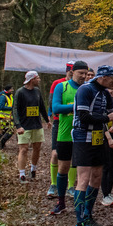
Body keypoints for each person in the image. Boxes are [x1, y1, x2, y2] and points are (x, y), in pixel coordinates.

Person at [71, 65, 113, 226]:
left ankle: (88, 215)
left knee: (97, 176)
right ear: (103, 77)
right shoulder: (85, 90)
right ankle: (79, 223)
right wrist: (107, 118)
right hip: (82, 136)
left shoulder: (105, 93)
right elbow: (84, 117)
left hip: (98, 137)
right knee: (83, 179)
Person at [49, 61, 88, 215]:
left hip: (84, 135)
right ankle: (61, 202)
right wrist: (78, 107)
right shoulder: (62, 87)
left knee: (83, 170)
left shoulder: (88, 88)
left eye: (86, 73)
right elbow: (56, 108)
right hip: (65, 134)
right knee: (63, 168)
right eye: (81, 73)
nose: (83, 76)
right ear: (73, 72)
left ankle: (82, 205)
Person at [12, 71, 50, 183]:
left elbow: (41, 106)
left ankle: (33, 169)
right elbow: (15, 110)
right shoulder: (20, 92)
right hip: (24, 126)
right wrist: (18, 126)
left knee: (37, 148)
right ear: (32, 79)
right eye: (37, 78)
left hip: (36, 124)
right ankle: (22, 174)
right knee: (23, 149)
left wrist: (47, 120)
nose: (39, 80)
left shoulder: (37, 91)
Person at [47, 62, 74, 197]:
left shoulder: (82, 86)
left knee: (73, 156)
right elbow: (52, 101)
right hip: (59, 122)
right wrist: (49, 114)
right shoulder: (58, 83)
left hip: (75, 123)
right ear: (67, 71)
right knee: (55, 154)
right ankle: (53, 184)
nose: (71, 74)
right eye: (70, 71)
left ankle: (71, 186)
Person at [0, 85, 14, 149]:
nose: (12, 90)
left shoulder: (11, 96)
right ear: (8, 90)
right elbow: (1, 107)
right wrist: (11, 108)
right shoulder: (3, 97)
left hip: (9, 117)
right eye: (11, 89)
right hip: (3, 117)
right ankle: (1, 143)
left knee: (4, 131)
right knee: (10, 131)